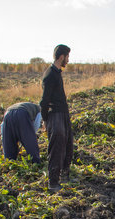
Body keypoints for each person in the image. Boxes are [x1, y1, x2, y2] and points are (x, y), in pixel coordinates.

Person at [40, 44, 73, 192]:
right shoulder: (50, 75)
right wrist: (45, 120)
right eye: (67, 57)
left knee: (68, 145)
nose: (68, 60)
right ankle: (53, 183)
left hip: (63, 114)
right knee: (57, 148)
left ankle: (65, 176)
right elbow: (44, 101)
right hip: (55, 115)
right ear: (61, 57)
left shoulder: (57, 72)